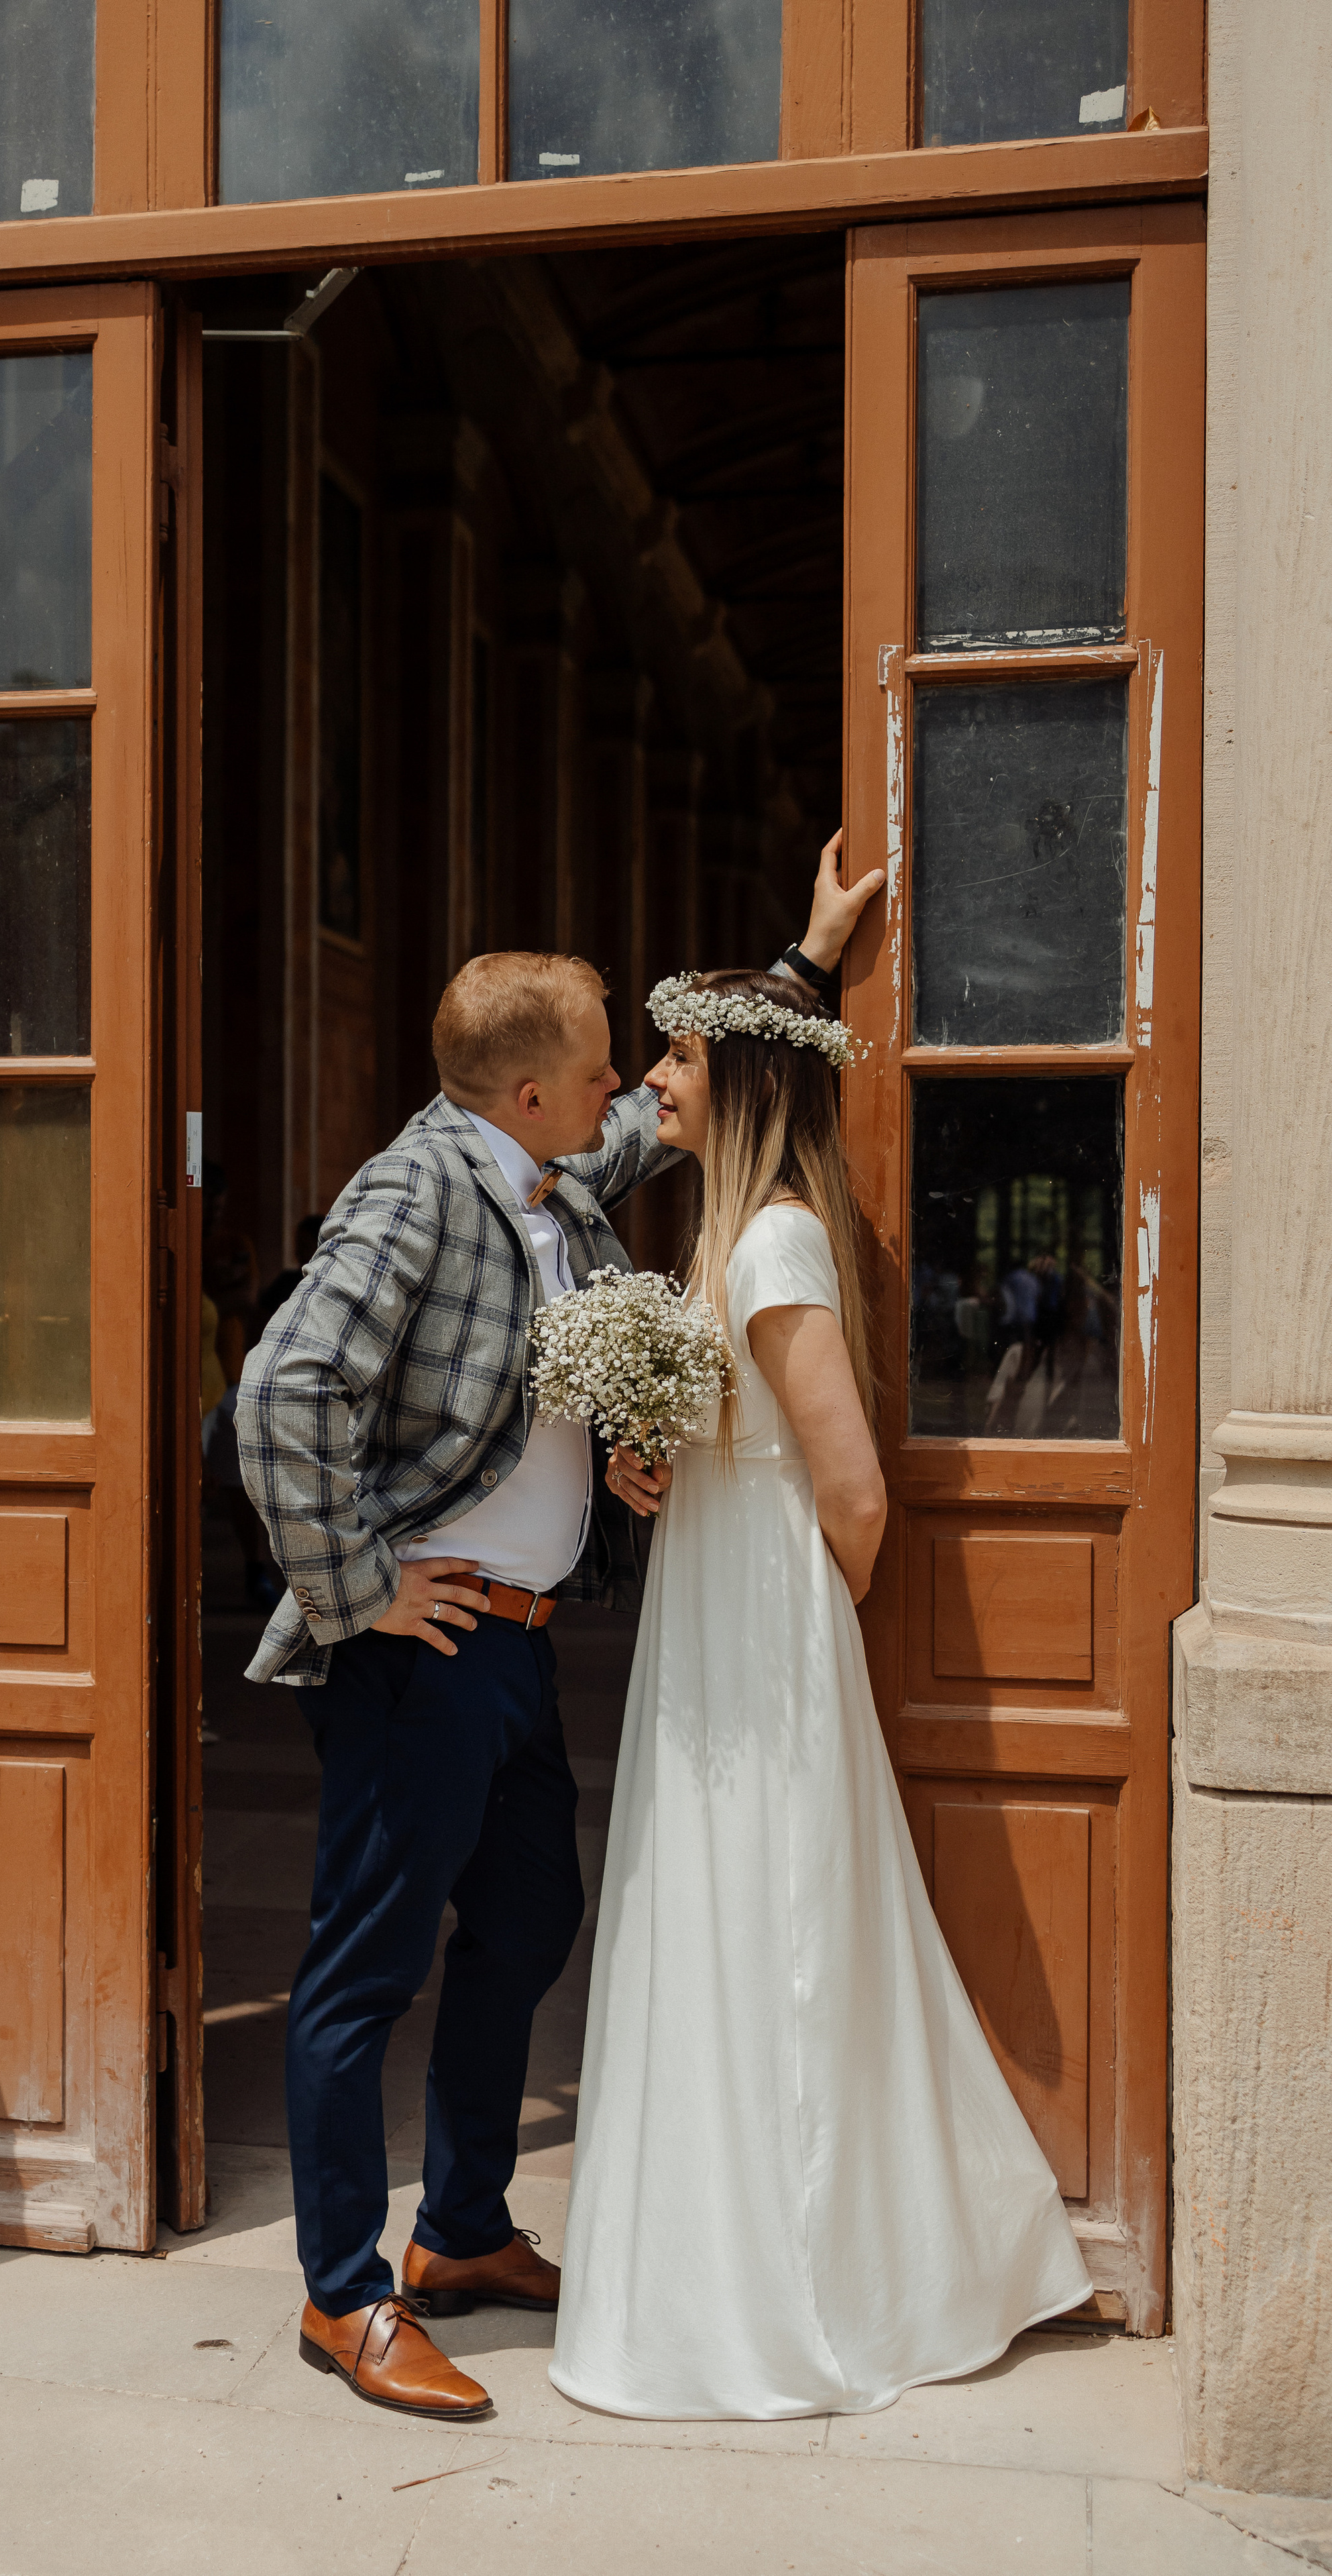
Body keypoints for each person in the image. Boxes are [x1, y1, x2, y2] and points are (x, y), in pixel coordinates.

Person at [237, 834, 879, 2425]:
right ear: (527, 1094)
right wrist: (360, 1583)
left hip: (516, 1645)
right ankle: (343, 2296)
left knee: (527, 1924)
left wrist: (801, 969)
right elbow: (278, 1392)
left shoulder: (536, 1175)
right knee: (363, 1970)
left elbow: (686, 1121)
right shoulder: (412, 1194)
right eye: (602, 1073)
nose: (624, 1095)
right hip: (420, 1651)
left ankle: (460, 2233)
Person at [549, 970, 1091, 2421]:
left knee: (775, 1918)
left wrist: (804, 1612)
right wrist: (646, 1462)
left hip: (763, 1623)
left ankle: (807, 2287)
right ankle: (711, 2259)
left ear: (742, 1086)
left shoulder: (775, 1241)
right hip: (710, 1601)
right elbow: (733, 1433)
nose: (648, 1081)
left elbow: (851, 1489)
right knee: (712, 1911)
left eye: (673, 1058)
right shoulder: (720, 1231)